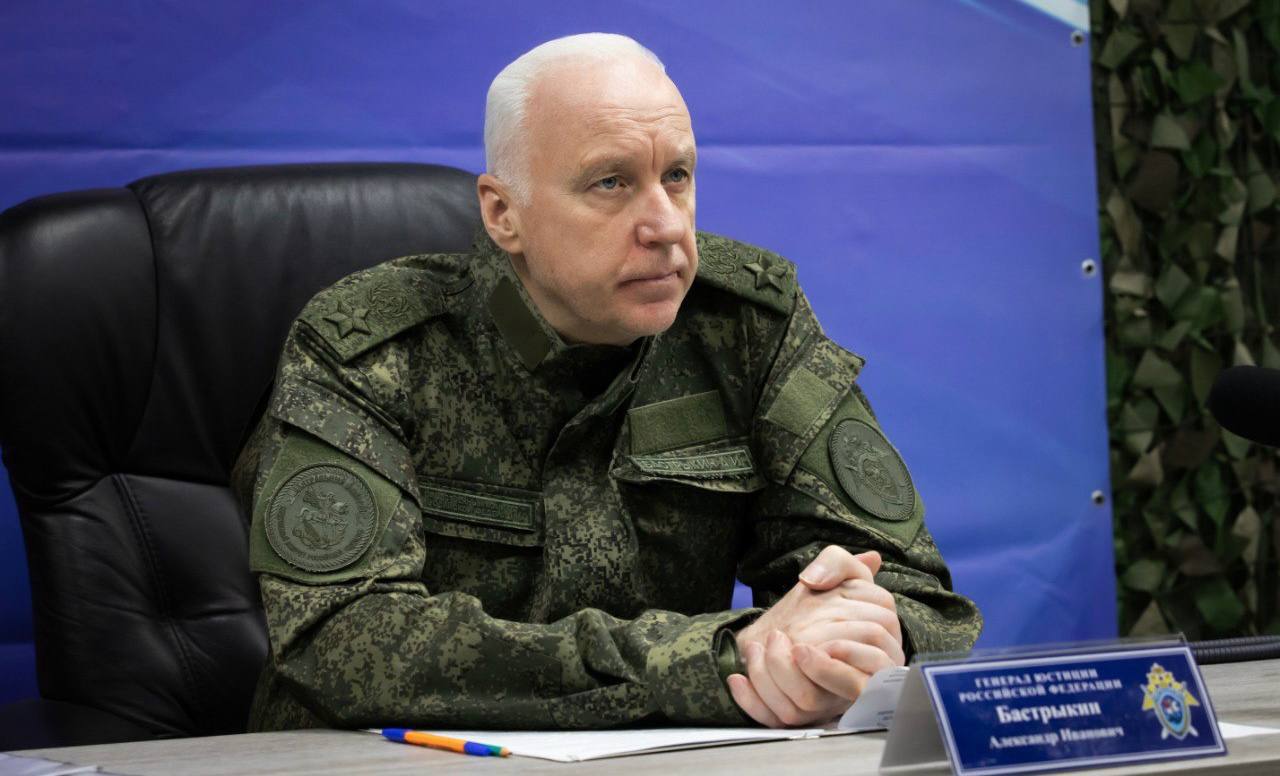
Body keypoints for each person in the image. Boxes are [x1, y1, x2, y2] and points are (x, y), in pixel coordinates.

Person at [231, 32, 981, 732]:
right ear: (504, 213)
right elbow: (341, 640)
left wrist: (840, 642)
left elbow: (920, 601)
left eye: (677, 176)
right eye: (611, 182)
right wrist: (708, 662)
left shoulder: (746, 325)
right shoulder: (372, 348)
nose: (667, 226)